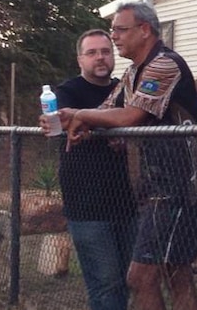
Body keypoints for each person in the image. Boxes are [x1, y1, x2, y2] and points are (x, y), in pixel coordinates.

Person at [53, 1, 197, 310]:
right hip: (158, 190)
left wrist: (80, 115)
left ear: (145, 30)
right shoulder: (134, 72)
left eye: (120, 30)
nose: (114, 37)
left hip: (180, 188)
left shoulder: (165, 64)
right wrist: (80, 120)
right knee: (175, 275)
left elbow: (131, 117)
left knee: (142, 277)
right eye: (112, 31)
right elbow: (107, 110)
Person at [55, 29, 137, 310]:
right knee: (105, 283)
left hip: (129, 201)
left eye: (105, 51)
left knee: (130, 279)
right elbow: (64, 119)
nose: (100, 58)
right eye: (92, 53)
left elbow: (136, 119)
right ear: (80, 59)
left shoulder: (125, 90)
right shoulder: (68, 91)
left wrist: (91, 121)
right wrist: (81, 120)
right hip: (87, 204)